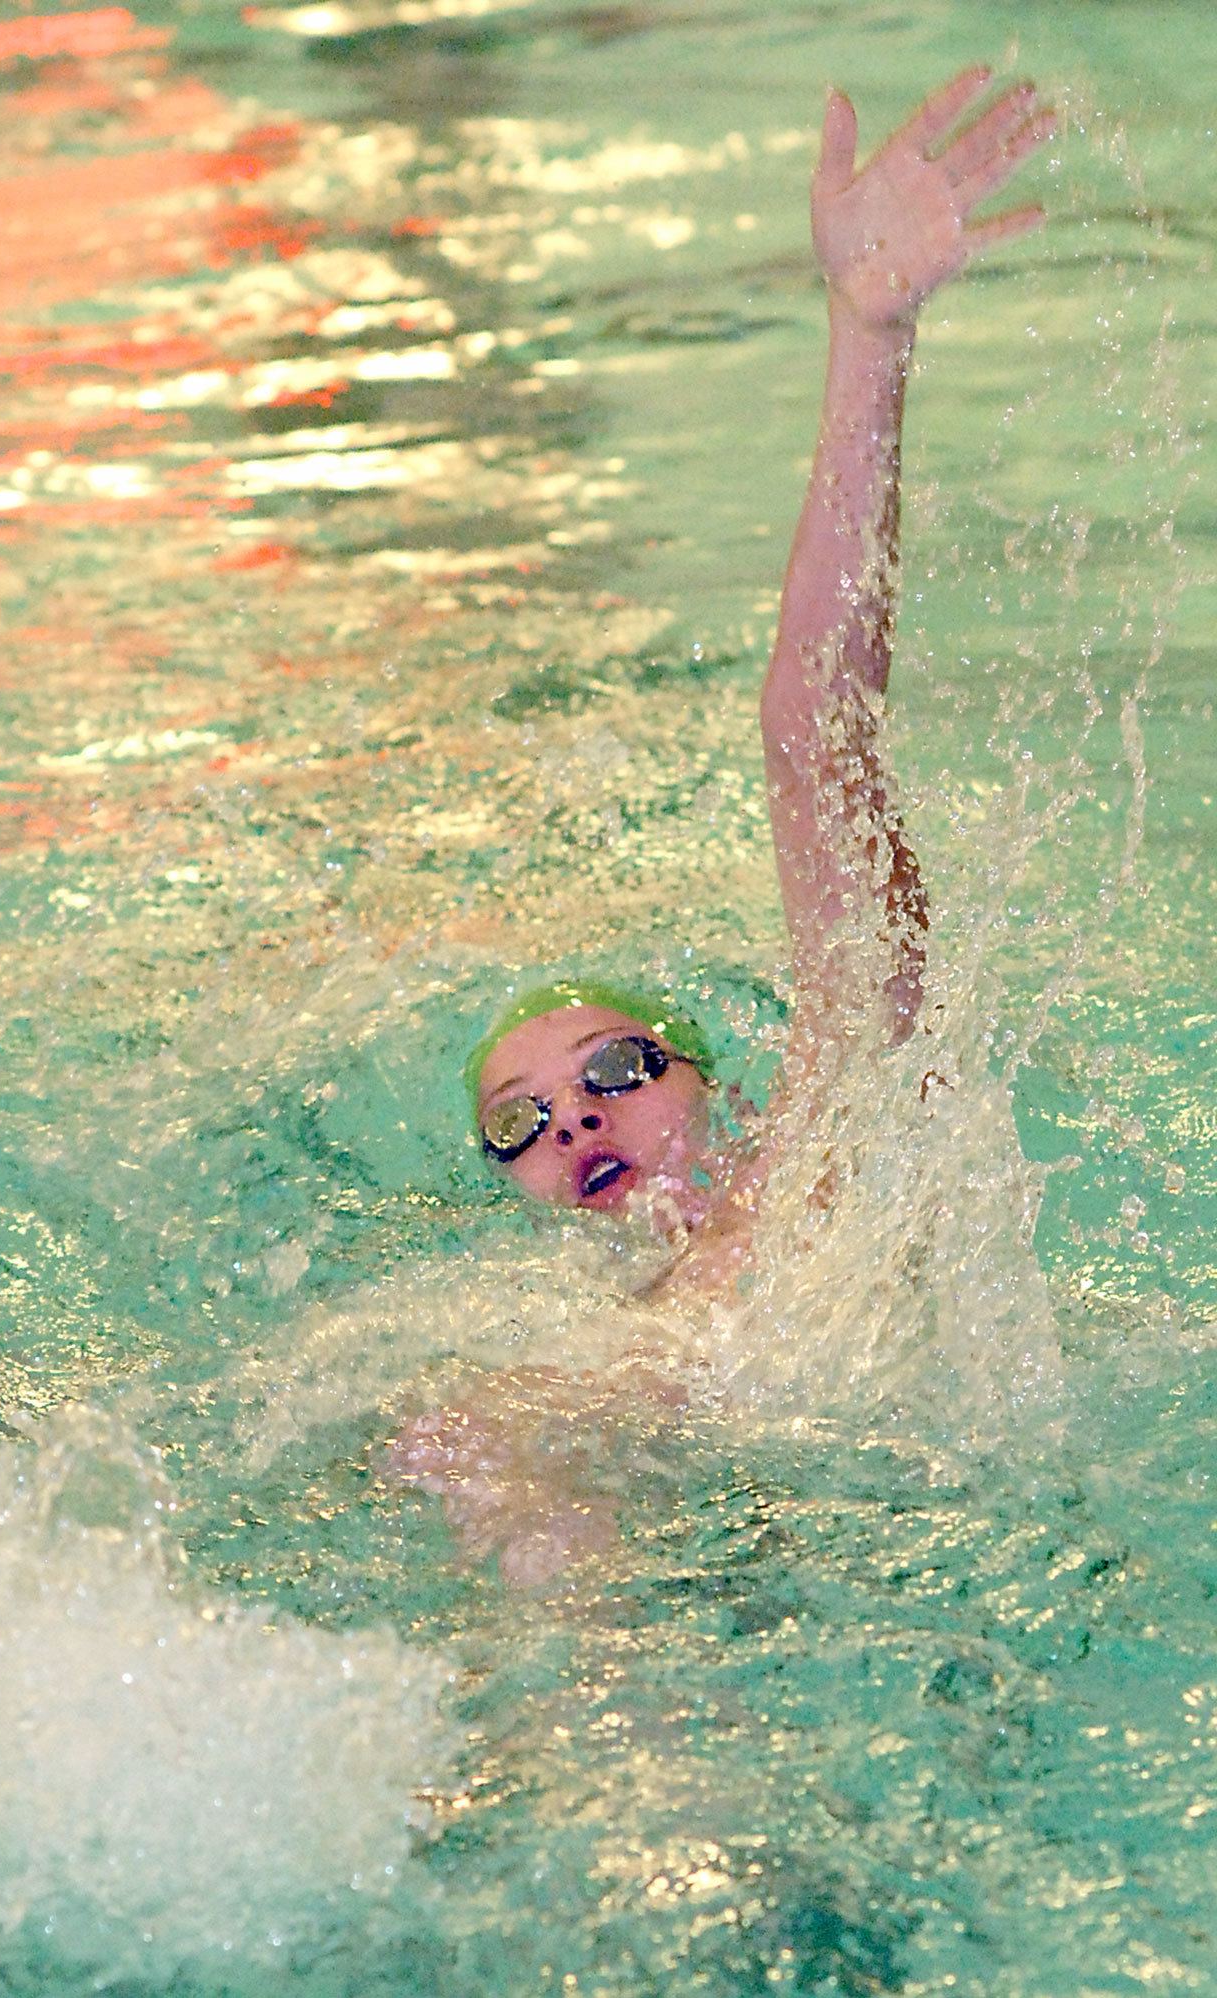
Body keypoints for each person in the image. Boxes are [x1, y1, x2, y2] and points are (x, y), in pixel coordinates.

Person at [391, 67, 1058, 1584]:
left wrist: (869, 337)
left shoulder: (837, 1134)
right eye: (521, 1124)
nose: (574, 1120)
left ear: (718, 1081)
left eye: (616, 1067)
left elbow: (816, 733)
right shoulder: (569, 1361)